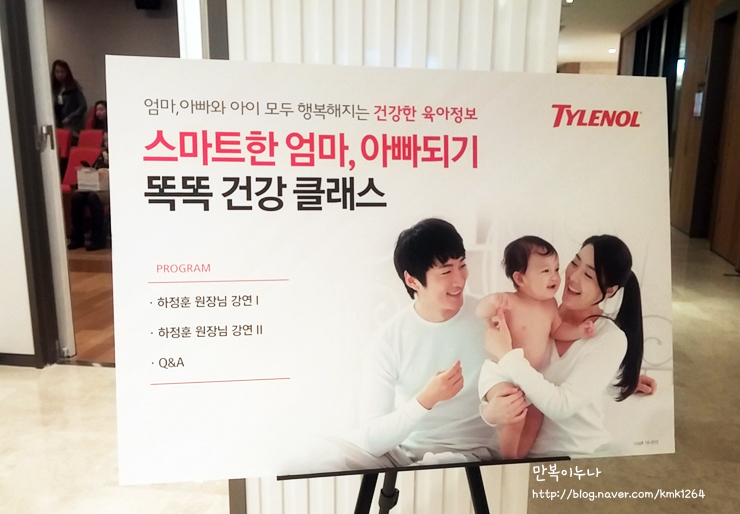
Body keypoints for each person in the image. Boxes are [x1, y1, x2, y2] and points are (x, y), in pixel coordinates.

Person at [480, 235, 652, 458]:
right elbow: (498, 383)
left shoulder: (609, 338)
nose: (573, 276)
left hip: (575, 455)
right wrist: (488, 413)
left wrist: (506, 354)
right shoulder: (540, 312)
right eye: (575, 262)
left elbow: (561, 406)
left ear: (609, 290)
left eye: (588, 274)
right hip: (523, 456)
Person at [351, 218, 496, 468]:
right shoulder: (388, 339)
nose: (459, 280)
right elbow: (371, 439)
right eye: (446, 272)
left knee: (435, 473)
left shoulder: (489, 317)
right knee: (316, 458)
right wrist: (426, 399)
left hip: (473, 454)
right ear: (412, 280)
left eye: (462, 265)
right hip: (404, 456)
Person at [475, 236, 594, 459]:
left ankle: (519, 455)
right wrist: (492, 302)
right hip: (500, 374)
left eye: (556, 269)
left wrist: (578, 332)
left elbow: (558, 330)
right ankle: (507, 458)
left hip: (528, 378)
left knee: (535, 417)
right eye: (545, 271)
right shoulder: (509, 301)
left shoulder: (551, 305)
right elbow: (480, 312)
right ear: (520, 278)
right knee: (514, 412)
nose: (555, 277)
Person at [67, 133, 109, 251]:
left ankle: (98, 239)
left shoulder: (121, 154)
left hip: (109, 189)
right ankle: (77, 237)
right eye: (105, 141)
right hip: (95, 186)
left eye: (109, 140)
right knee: (77, 197)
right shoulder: (102, 155)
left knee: (92, 197)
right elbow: (93, 170)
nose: (107, 144)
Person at [51, 60, 87, 137]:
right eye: (57, 72)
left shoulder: (73, 87)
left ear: (67, 72)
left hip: (72, 124)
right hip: (59, 122)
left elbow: (83, 106)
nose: (60, 74)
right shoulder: (54, 88)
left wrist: (70, 117)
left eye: (62, 72)